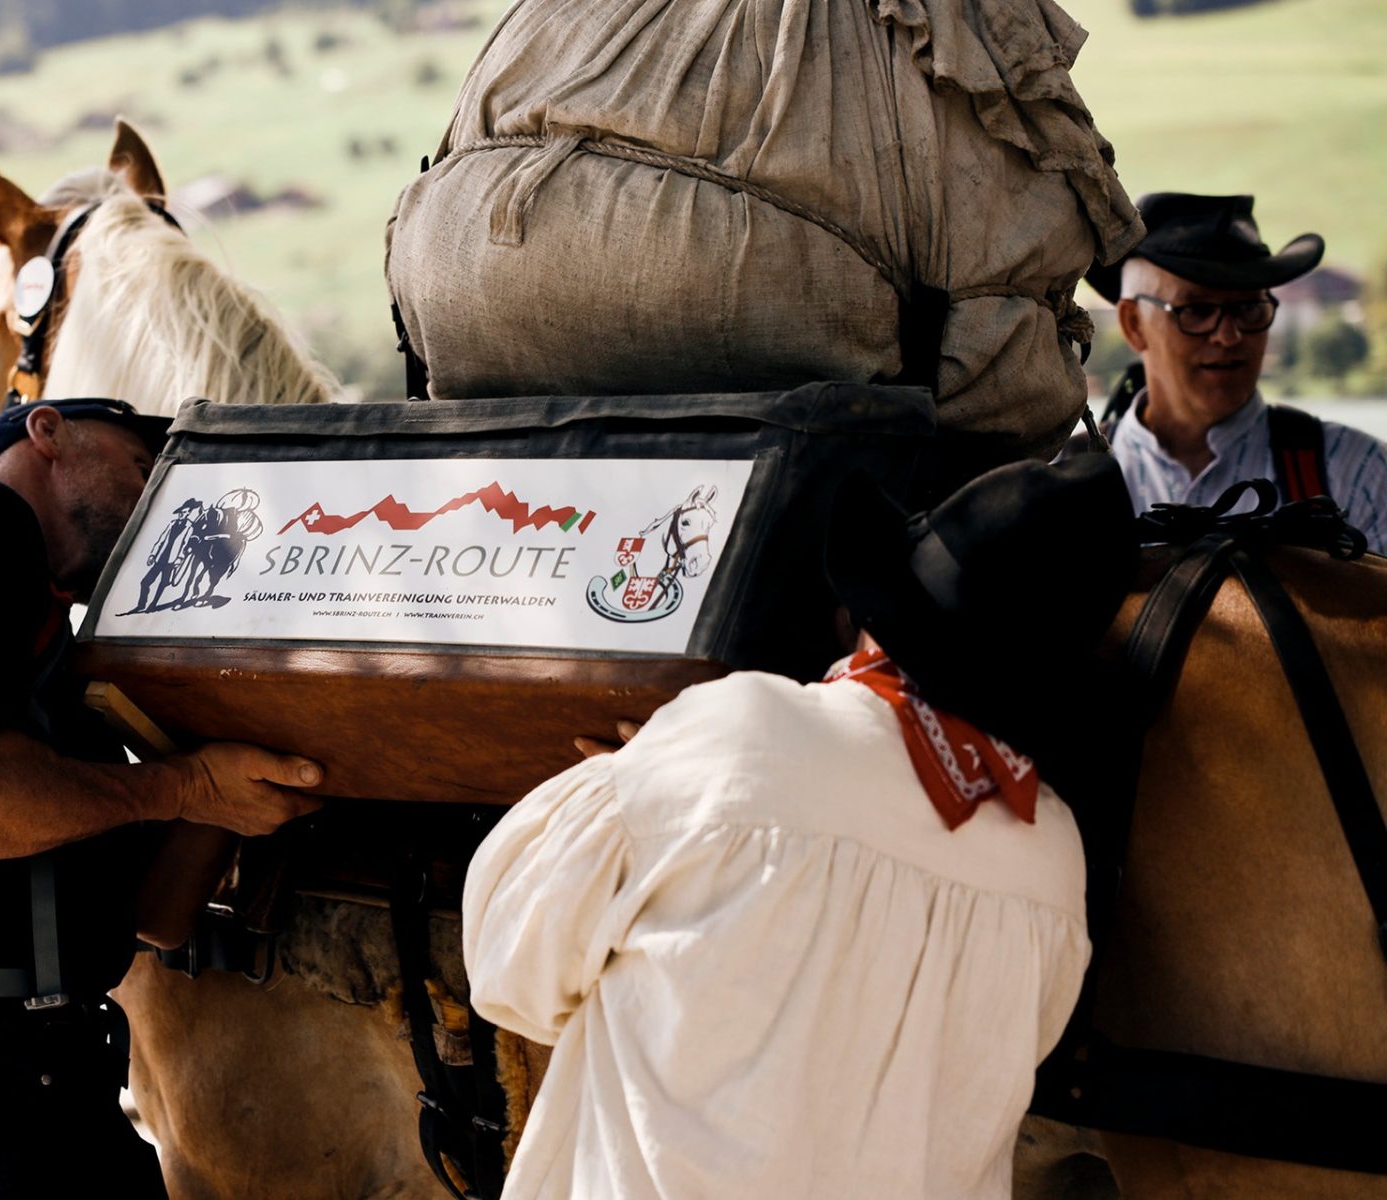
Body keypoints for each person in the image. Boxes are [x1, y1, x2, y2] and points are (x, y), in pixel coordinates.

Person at [463, 457, 1138, 1200]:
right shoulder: (1053, 861)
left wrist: (646, 770)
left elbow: (507, 963)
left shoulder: (739, 733)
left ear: (877, 610)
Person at [0, 398, 325, 1198]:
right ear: (47, 431)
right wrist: (182, 785)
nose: (157, 499)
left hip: (34, 1084)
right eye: (144, 467)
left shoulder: (39, 638)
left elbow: (154, 915)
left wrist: (220, 787)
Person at [1086, 192, 1387, 548]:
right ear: (1134, 324)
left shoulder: (1361, 475)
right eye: (1196, 311)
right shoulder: (1067, 488)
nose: (1229, 336)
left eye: (1248, 308)